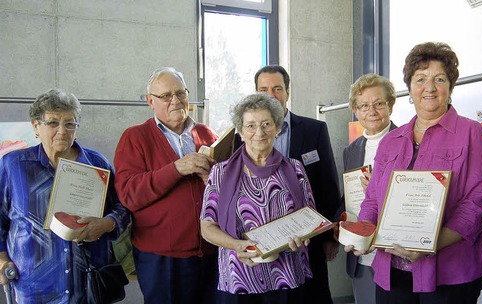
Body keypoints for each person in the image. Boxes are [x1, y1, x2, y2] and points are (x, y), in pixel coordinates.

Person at [346, 42, 482, 304]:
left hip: (450, 272)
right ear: (410, 87)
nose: (429, 87)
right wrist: (363, 233)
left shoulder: (472, 133)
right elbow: (372, 199)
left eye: (439, 79)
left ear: (450, 86)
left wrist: (431, 243)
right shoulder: (391, 140)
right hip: (391, 271)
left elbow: (476, 202)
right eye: (420, 79)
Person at [0, 89, 130, 303]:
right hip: (35, 285)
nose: (62, 131)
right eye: (52, 123)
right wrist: (2, 259)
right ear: (36, 126)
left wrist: (107, 223)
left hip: (89, 283)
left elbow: (124, 208)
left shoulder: (97, 164)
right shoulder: (13, 165)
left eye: (70, 124)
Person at [114, 67, 219, 303]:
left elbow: (226, 190)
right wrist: (176, 169)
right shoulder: (135, 137)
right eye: (165, 96)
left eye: (180, 93)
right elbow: (129, 195)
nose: (175, 101)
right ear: (150, 101)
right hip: (162, 260)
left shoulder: (207, 134)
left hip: (213, 251)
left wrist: (211, 180)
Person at [200, 93, 316, 303]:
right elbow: (207, 227)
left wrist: (303, 237)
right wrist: (236, 245)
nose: (259, 132)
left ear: (277, 127)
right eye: (251, 126)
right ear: (241, 131)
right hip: (240, 275)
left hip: (286, 273)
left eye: (266, 124)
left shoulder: (295, 168)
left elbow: (309, 219)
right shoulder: (220, 172)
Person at [250, 65, 341, 303]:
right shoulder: (245, 136)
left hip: (308, 239)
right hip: (265, 244)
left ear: (288, 93)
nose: (271, 95)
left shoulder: (314, 130)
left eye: (277, 89)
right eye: (263, 89)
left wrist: (329, 236)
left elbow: (328, 184)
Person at [339, 73, 397, 304]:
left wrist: (379, 188)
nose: (371, 111)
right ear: (355, 110)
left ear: (390, 105)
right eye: (364, 105)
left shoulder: (408, 141)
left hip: (394, 249)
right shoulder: (351, 150)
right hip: (360, 249)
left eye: (379, 104)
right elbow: (347, 197)